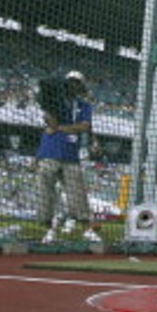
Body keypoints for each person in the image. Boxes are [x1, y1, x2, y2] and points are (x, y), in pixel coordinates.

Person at [36, 70, 101, 243]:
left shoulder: (84, 106)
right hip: (50, 151)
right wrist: (63, 126)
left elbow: (84, 126)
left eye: (77, 83)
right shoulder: (56, 101)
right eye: (71, 82)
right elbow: (49, 120)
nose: (73, 85)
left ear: (81, 86)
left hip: (71, 153)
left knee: (77, 193)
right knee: (45, 191)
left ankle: (87, 228)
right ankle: (49, 230)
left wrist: (59, 128)